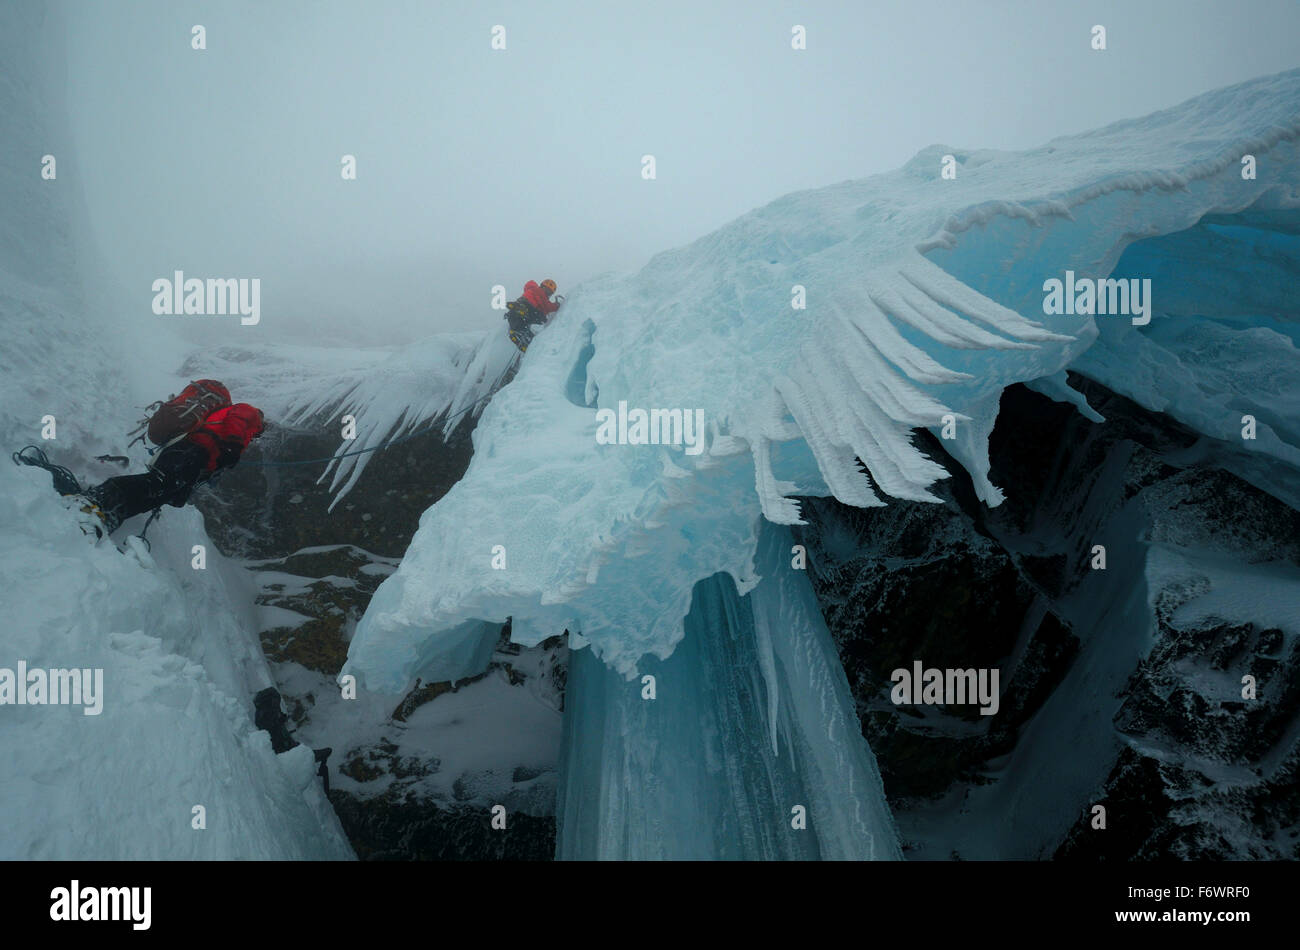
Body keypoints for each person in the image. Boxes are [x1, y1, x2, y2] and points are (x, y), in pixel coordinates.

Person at [75, 400, 265, 537]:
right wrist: (233, 446)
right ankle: (97, 499)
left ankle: (113, 513)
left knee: (168, 494)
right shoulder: (250, 412)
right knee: (161, 484)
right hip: (193, 449)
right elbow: (237, 420)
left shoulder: (249, 427)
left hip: (192, 454)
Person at [506, 278, 561, 352]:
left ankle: (518, 334)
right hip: (531, 311)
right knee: (542, 319)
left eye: (549, 292)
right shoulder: (539, 292)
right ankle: (528, 340)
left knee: (520, 325)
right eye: (547, 290)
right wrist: (557, 305)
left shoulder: (531, 291)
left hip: (517, 312)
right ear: (542, 287)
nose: (547, 293)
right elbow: (547, 307)